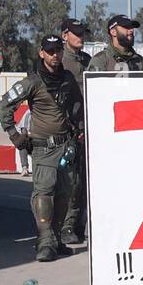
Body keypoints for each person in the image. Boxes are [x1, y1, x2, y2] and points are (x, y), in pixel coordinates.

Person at [0, 33, 78, 261]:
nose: (55, 55)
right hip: (44, 149)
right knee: (44, 194)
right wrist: (13, 134)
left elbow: (76, 106)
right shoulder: (32, 82)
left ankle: (56, 238)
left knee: (65, 195)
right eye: (50, 51)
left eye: (58, 51)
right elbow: (4, 104)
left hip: (67, 146)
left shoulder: (68, 79)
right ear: (42, 53)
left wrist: (78, 128)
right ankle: (45, 241)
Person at [59, 17, 92, 245]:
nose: (80, 37)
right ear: (65, 36)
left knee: (86, 181)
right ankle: (65, 226)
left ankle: (81, 224)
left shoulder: (89, 61)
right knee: (70, 181)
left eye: (82, 33)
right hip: (69, 129)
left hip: (88, 128)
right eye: (75, 33)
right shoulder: (59, 61)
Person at [14, 106, 33, 175]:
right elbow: (24, 131)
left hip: (34, 135)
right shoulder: (29, 113)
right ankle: (25, 168)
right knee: (23, 146)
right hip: (25, 135)